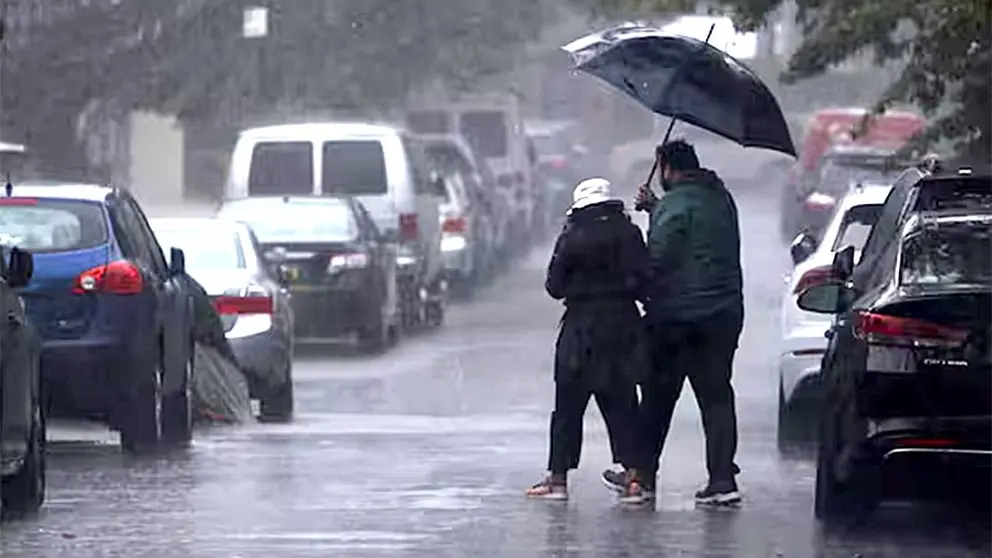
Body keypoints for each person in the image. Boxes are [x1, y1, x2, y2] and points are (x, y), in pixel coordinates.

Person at [601, 140, 745, 506]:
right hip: (724, 315)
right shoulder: (721, 199)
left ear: (667, 168)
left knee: (657, 398)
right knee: (716, 398)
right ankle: (722, 479)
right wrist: (656, 208)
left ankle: (643, 478)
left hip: (677, 321)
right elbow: (695, 234)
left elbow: (659, 259)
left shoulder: (676, 205)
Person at [526, 178, 650, 503]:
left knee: (568, 406)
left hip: (580, 331)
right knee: (623, 404)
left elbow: (554, 286)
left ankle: (558, 480)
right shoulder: (630, 233)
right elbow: (644, 281)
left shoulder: (572, 236)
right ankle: (634, 478)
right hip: (622, 328)